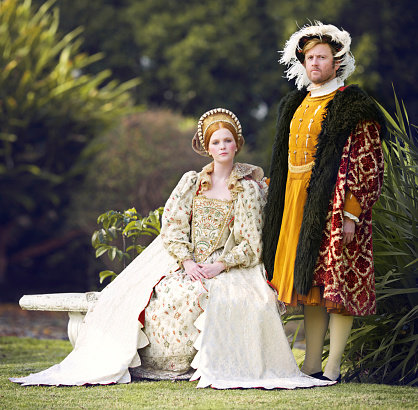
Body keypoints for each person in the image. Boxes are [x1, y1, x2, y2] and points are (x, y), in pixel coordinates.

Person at [11, 108, 334, 389]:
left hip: (228, 265)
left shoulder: (247, 190)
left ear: (237, 144)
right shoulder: (192, 183)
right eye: (216, 142)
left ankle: (194, 364)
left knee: (212, 298)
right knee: (164, 292)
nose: (222, 147)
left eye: (227, 140)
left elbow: (251, 244)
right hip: (188, 262)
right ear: (207, 148)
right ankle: (154, 364)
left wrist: (219, 265)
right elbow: (173, 227)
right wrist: (188, 262)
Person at [262, 21, 386, 382]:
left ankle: (332, 370)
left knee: (336, 284)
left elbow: (369, 162)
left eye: (322, 57)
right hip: (293, 203)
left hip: (333, 205)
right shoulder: (294, 102)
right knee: (311, 286)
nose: (314, 62)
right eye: (310, 57)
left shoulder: (353, 104)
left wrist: (352, 212)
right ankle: (311, 365)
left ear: (337, 62)